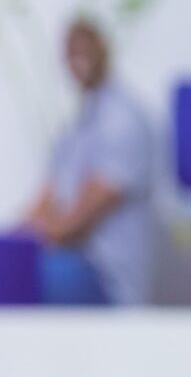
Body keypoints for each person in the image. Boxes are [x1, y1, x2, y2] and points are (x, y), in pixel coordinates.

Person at [21, 16, 155, 306]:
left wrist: (22, 249)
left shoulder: (123, 119)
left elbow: (76, 224)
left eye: (85, 49)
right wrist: (0, 247)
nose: (77, 59)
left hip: (106, 279)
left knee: (25, 276)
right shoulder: (75, 130)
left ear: (104, 49)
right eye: (70, 52)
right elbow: (44, 200)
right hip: (70, 263)